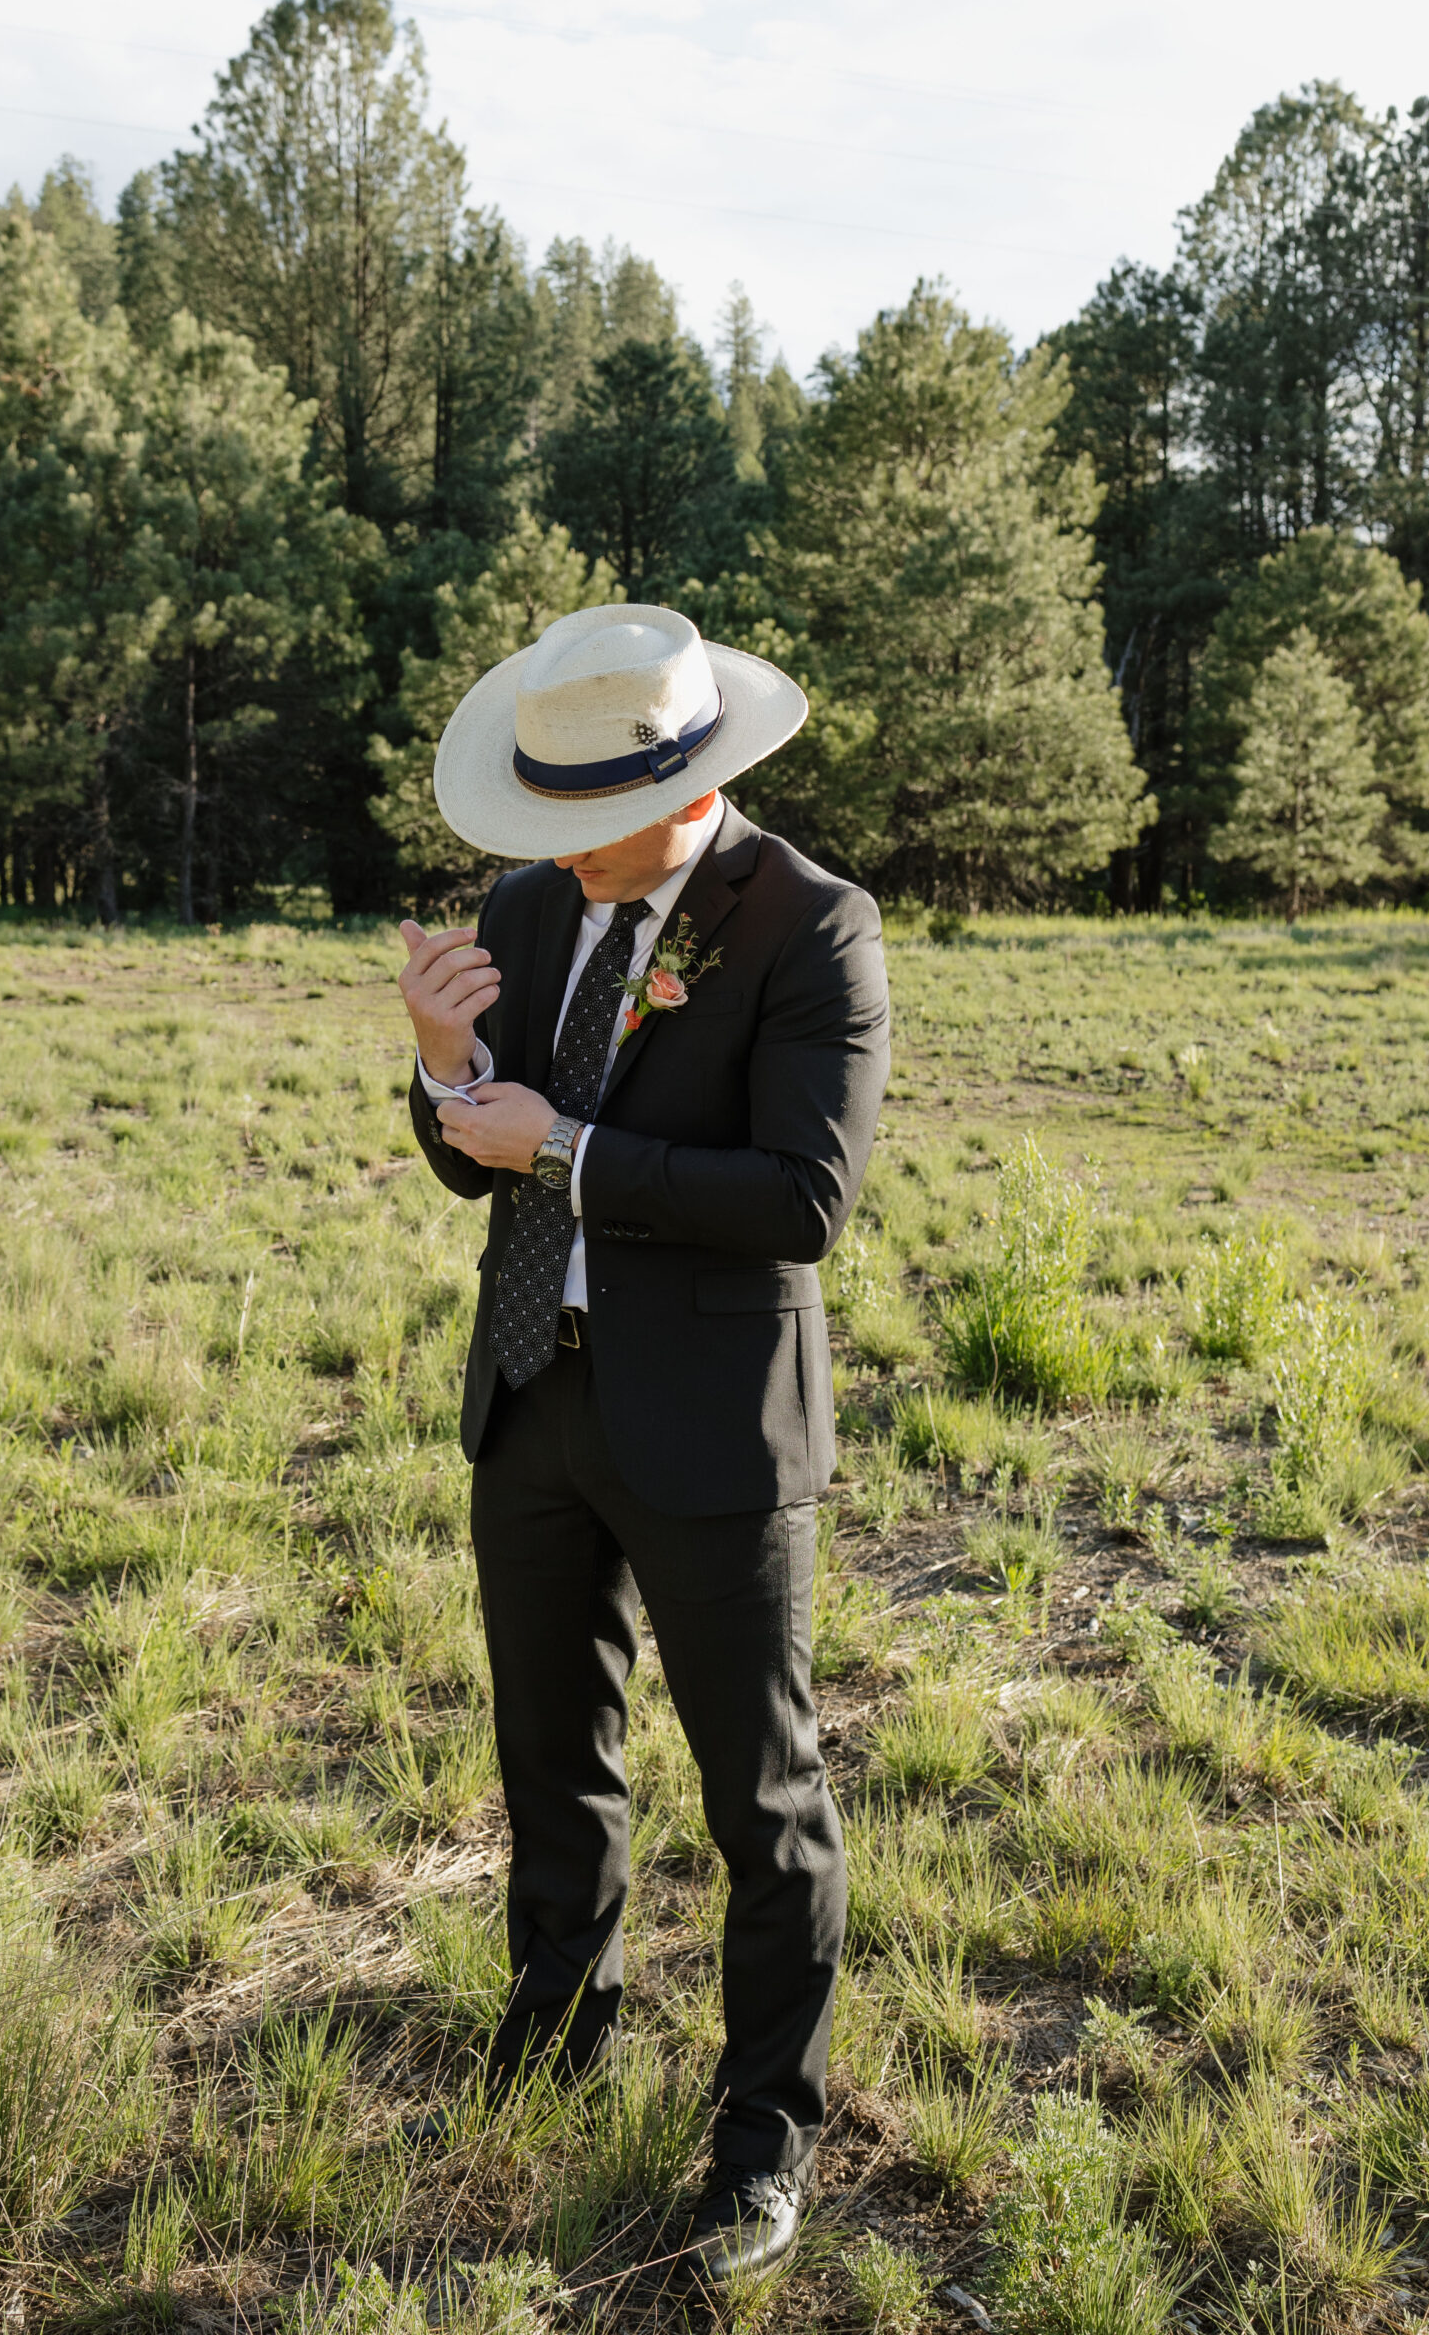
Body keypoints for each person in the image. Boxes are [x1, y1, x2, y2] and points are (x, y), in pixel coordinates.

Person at [395, 600, 890, 2287]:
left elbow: (803, 1201)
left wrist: (570, 1153)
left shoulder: (815, 927)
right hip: (531, 1391)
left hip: (715, 1425)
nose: (546, 856)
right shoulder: (534, 906)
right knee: (553, 1760)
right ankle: (556, 2035)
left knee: (765, 1801)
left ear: (686, 792)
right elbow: (481, 1150)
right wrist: (444, 1065)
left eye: (577, 824)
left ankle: (762, 2148)